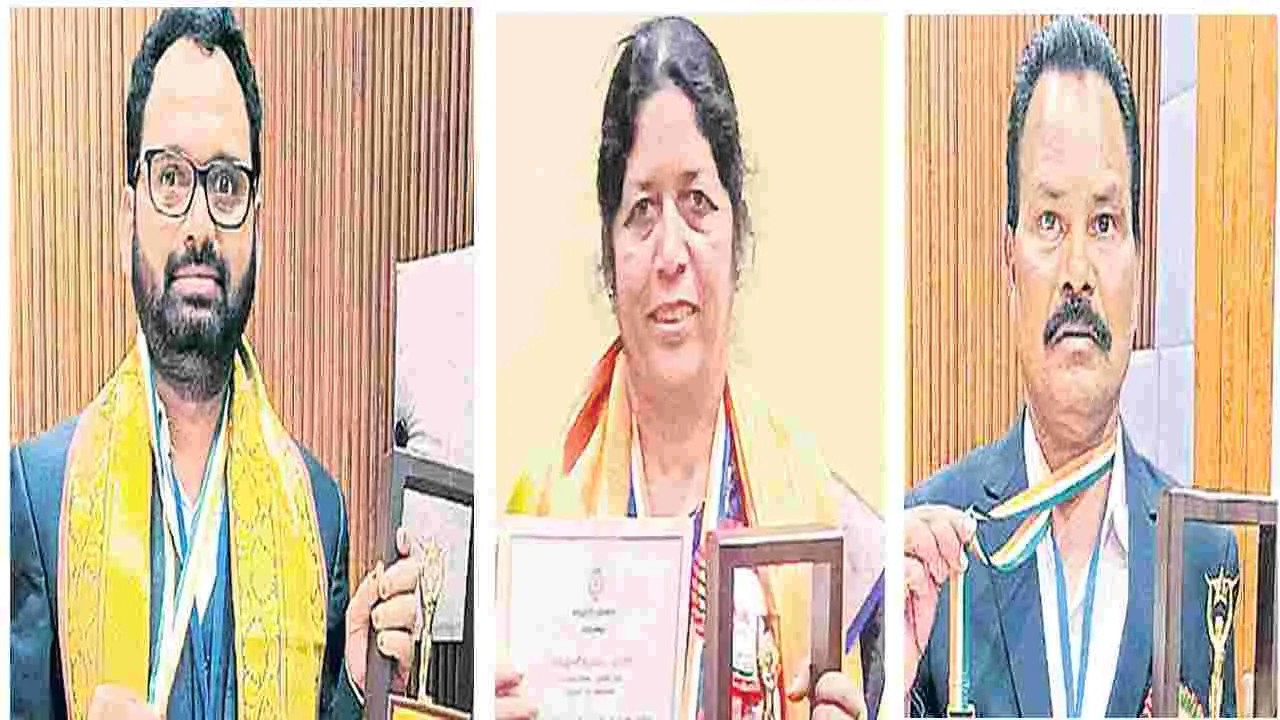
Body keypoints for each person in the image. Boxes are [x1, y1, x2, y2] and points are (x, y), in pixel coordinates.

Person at [10, 9, 423, 718]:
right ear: (127, 215)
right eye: (171, 177)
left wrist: (358, 692)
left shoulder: (317, 514)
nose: (199, 224)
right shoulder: (39, 495)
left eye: (226, 183)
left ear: (256, 218)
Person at [499, 16, 885, 720]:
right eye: (642, 209)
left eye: (698, 203)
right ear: (610, 251)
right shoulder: (537, 519)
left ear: (737, 235)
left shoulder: (824, 527)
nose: (670, 253)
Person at [905, 15, 1236, 718]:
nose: (1077, 272)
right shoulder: (928, 556)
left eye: (1105, 223)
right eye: (1050, 222)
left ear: (1139, 266)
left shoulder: (1204, 558)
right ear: (1010, 262)